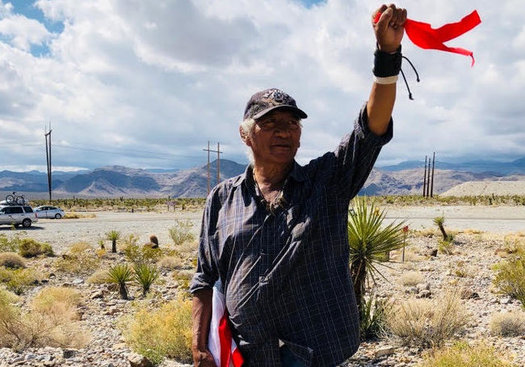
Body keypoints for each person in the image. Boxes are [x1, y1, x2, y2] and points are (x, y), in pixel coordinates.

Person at [190, 4, 407, 366]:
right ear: (245, 135)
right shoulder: (221, 199)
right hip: (248, 354)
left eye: (292, 123)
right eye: (270, 122)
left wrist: (387, 56)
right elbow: (205, 278)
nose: (283, 130)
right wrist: (199, 345)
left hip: (316, 354)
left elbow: (369, 131)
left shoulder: (328, 180)